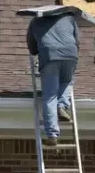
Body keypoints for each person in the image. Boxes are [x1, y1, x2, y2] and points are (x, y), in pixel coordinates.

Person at [26, 12, 80, 146]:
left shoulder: (35, 21)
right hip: (70, 54)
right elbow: (77, 40)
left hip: (50, 56)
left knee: (50, 96)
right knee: (67, 81)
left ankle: (52, 135)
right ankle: (62, 106)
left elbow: (32, 49)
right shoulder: (69, 18)